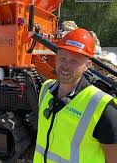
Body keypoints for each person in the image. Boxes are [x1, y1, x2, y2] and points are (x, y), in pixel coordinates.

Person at [33, 28, 117, 163]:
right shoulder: (46, 89)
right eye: (62, 58)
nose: (65, 66)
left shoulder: (102, 107)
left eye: (74, 61)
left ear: (87, 65)